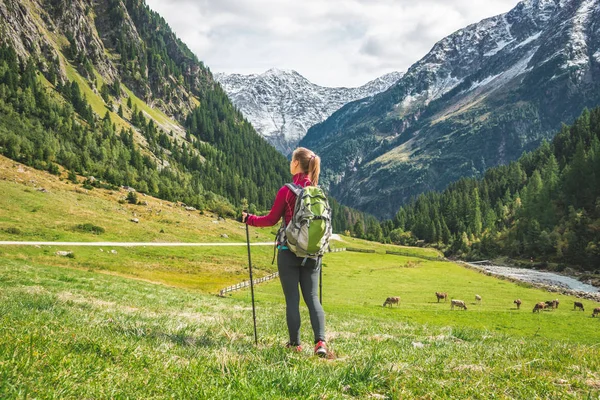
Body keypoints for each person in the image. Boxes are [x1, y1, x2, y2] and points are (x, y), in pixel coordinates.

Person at [242, 147, 327, 357]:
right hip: (313, 254)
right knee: (312, 298)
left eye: (292, 160)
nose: (290, 163)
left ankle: (295, 344)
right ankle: (320, 343)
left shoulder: (287, 190)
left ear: (297, 164)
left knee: (292, 300)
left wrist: (249, 218)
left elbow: (271, 219)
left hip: (288, 252)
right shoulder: (317, 191)